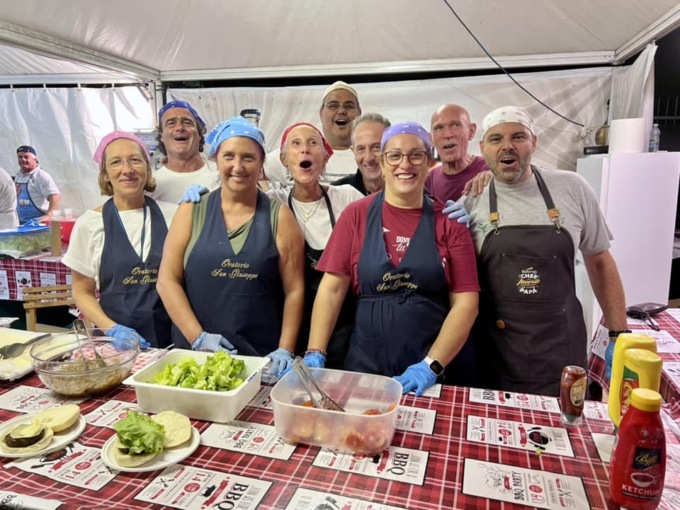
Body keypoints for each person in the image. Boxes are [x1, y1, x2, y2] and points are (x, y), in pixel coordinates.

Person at [301, 122, 479, 396]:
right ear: (383, 164)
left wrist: (431, 365)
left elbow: (466, 304)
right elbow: (332, 289)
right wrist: (315, 351)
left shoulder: (450, 223)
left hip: (436, 370)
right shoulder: (356, 215)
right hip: (367, 364)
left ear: (429, 163)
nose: (404, 164)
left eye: (416, 155)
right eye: (394, 156)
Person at [463, 106, 627, 397]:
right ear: (482, 148)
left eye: (518, 136)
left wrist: (618, 334)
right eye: (496, 139)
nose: (507, 146)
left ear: (534, 142)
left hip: (560, 351)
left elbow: (600, 262)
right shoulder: (471, 200)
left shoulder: (572, 188)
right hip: (495, 354)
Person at [157, 116, 305, 377]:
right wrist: (198, 338)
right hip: (195, 359)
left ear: (261, 163)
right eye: (229, 156)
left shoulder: (279, 217)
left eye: (248, 157)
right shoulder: (191, 210)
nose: (238, 166)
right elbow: (167, 280)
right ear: (216, 159)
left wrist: (285, 349)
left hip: (260, 361)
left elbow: (294, 290)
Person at [62, 132, 177, 348]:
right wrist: (111, 330)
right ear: (105, 174)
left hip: (174, 340)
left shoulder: (175, 215)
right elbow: (81, 291)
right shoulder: (89, 224)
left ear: (147, 168)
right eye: (116, 162)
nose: (127, 169)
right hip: (116, 346)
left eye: (135, 160)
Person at [269, 122, 364, 368]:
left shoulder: (347, 197)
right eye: (296, 144)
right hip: (290, 324)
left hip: (343, 323)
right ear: (284, 159)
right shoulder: (273, 202)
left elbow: (386, 214)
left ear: (325, 157)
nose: (305, 150)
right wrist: (202, 198)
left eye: (313, 143)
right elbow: (234, 200)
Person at [264, 81, 362, 187]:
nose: (341, 111)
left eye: (349, 106)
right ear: (321, 114)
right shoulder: (293, 153)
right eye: (333, 106)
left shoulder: (367, 157)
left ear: (359, 113)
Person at [150, 100, 219, 203]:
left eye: (187, 122)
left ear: (199, 134)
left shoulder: (219, 175)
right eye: (171, 123)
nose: (180, 127)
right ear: (161, 136)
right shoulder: (152, 185)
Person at [426, 104, 489, 203]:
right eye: (439, 128)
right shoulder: (429, 179)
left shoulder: (490, 171)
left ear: (471, 131)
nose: (447, 135)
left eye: (455, 125)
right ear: (431, 139)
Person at [332, 112, 390, 196]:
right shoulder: (337, 193)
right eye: (361, 149)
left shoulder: (407, 190)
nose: (368, 158)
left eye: (376, 147)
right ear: (353, 152)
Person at [14, 146, 61, 224]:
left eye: (26, 157)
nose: (23, 159)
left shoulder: (41, 176)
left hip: (37, 223)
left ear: (35, 159)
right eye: (20, 157)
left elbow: (55, 196)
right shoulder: (18, 176)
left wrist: (49, 215)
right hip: (21, 223)